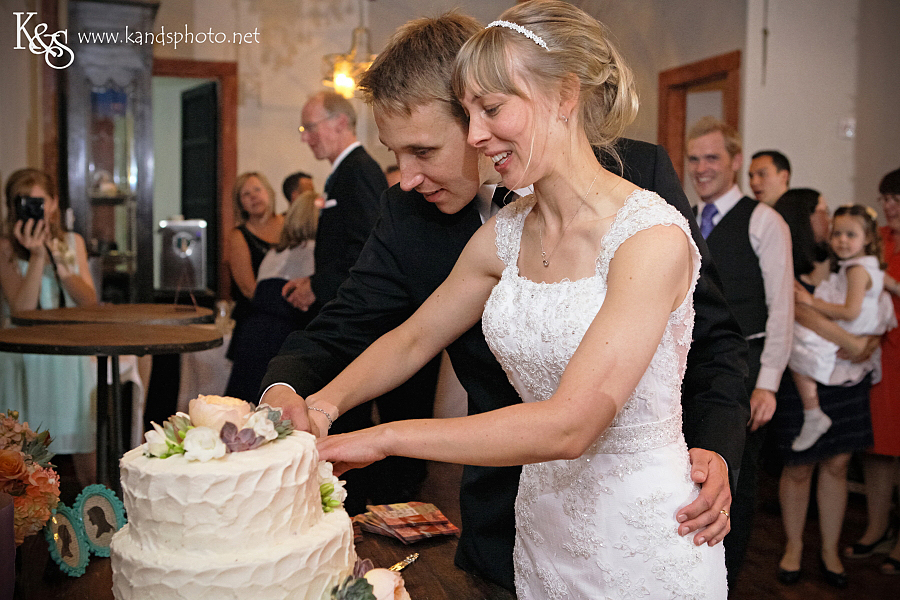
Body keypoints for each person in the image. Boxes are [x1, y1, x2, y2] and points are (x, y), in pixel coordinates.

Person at [261, 9, 748, 592]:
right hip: (527, 522)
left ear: (565, 95)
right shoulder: (503, 233)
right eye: (471, 115)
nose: (475, 135)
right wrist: (323, 405)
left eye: (489, 110)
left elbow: (587, 415)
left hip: (643, 525)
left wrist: (384, 438)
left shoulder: (648, 223)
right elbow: (414, 335)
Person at [687, 116, 794, 584]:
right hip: (692, 371)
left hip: (745, 371)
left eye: (712, 157)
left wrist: (767, 384)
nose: (701, 168)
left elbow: (783, 307)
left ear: (734, 161)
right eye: (693, 159)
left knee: (737, 482)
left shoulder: (763, 220)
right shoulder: (682, 216)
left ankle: (724, 580)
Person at [771, 190, 883, 589]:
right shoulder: (788, 257)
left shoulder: (849, 265)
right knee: (799, 465)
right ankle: (794, 545)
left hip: (847, 377)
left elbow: (871, 305)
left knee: (837, 463)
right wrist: (851, 342)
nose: (828, 218)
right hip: (806, 377)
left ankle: (830, 548)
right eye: (821, 211)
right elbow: (794, 310)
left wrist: (859, 343)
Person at [0, 168, 97, 485]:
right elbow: (22, 310)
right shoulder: (4, 247)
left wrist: (63, 267)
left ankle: (93, 505)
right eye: (23, 202)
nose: (33, 209)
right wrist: (37, 257)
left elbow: (89, 301)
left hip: (67, 348)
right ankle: (27, 522)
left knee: (84, 433)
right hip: (24, 352)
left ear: (53, 204)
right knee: (20, 456)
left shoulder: (71, 242)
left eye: (39, 202)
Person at [789, 205, 894, 452]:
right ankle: (813, 412)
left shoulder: (857, 270)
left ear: (867, 238)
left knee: (796, 348)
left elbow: (850, 311)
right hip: (851, 334)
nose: (842, 240)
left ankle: (812, 411)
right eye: (837, 234)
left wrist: (811, 301)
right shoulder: (865, 266)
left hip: (847, 330)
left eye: (851, 235)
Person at [283, 91, 386, 313]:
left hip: (358, 308)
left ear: (340, 123)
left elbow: (367, 246)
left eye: (310, 128)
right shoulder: (346, 170)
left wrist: (318, 287)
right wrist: (312, 281)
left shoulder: (358, 170)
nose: (304, 138)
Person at [845, 168, 900, 575]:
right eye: (885, 199)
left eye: (896, 199)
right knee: (879, 445)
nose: (889, 207)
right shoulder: (878, 239)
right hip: (878, 354)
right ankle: (877, 528)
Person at [223, 190, 317, 402]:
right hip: (281, 337)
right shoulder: (313, 251)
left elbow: (257, 292)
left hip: (251, 332)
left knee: (242, 406)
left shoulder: (274, 252)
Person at [223, 172, 283, 399]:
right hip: (256, 325)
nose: (253, 197)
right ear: (240, 204)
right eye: (245, 194)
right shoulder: (239, 236)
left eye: (257, 190)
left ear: (268, 192)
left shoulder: (288, 225)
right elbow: (249, 289)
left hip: (292, 321)